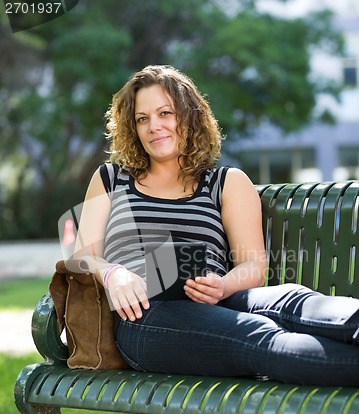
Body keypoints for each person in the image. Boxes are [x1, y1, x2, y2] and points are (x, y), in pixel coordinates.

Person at [74, 64, 359, 387]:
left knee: (291, 299)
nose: (154, 126)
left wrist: (222, 286)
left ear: (189, 116)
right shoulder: (111, 179)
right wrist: (114, 274)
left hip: (218, 299)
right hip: (143, 316)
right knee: (258, 336)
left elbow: (253, 266)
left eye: (165, 113)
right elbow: (83, 256)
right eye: (143, 119)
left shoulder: (227, 182)